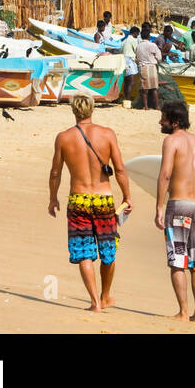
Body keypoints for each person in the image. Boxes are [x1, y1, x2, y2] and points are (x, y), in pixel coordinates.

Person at [48, 95, 133, 313]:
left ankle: (95, 302)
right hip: (104, 199)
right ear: (92, 109)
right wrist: (127, 196)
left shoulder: (64, 138)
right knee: (108, 250)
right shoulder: (107, 134)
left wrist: (53, 198)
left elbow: (55, 172)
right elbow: (120, 169)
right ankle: (105, 296)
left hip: (78, 200)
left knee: (84, 252)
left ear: (73, 111)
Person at [155, 101, 195, 322]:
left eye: (164, 118)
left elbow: (165, 174)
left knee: (178, 261)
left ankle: (184, 312)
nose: (160, 121)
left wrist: (159, 206)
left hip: (179, 206)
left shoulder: (171, 141)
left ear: (175, 121)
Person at [135, 28, 162, 111]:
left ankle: (146, 106)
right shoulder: (152, 45)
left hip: (143, 67)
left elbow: (137, 58)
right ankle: (157, 106)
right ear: (149, 36)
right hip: (151, 67)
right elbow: (159, 57)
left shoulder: (138, 46)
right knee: (154, 88)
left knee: (144, 88)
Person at [121, 26, 140, 107]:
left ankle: (126, 100)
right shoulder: (133, 40)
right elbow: (137, 50)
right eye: (137, 34)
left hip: (124, 61)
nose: (137, 35)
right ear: (135, 33)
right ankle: (128, 100)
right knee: (131, 82)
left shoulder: (124, 41)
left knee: (126, 82)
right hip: (130, 61)